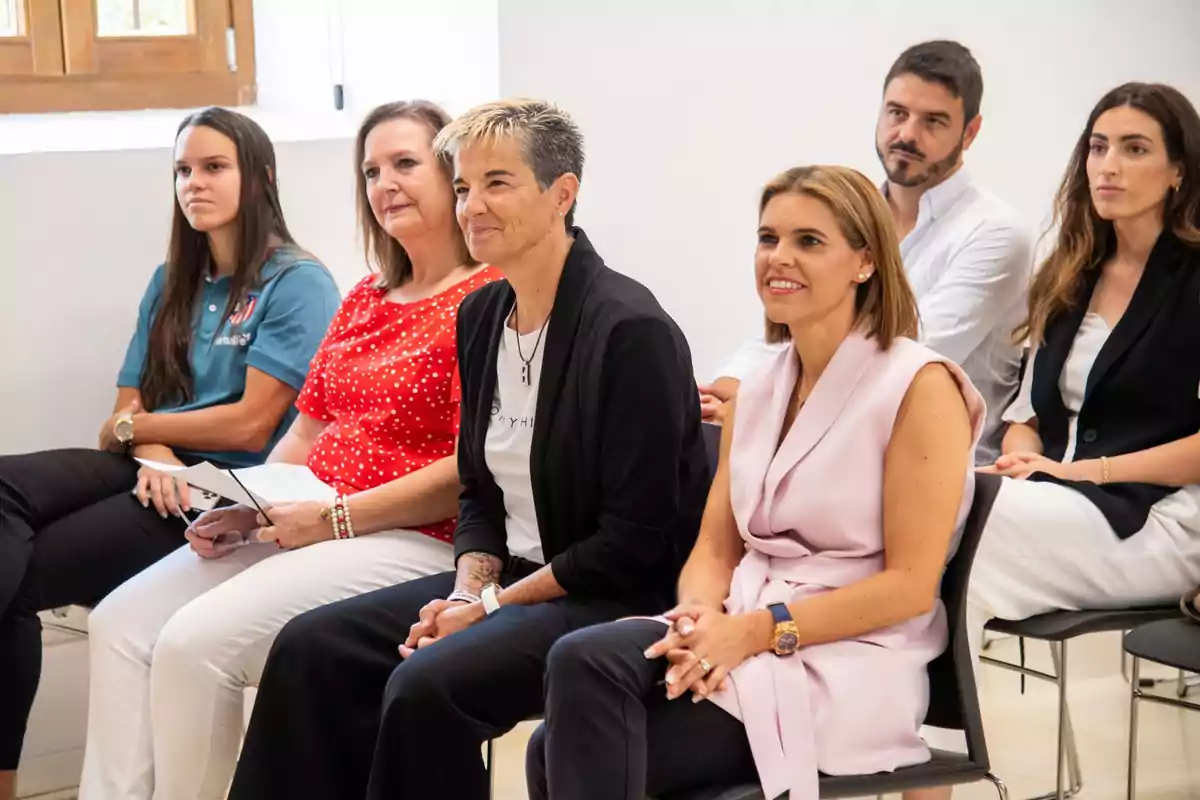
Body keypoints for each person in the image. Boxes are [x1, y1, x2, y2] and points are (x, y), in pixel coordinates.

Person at [227, 98, 711, 800]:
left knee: (427, 685)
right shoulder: (484, 315)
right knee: (313, 649)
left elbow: (633, 544)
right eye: (461, 186)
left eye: (498, 183)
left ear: (562, 194)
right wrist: (466, 589)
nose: (471, 206)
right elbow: (479, 489)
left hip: (610, 595)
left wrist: (486, 608)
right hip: (512, 577)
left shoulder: (630, 330)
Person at [77, 101, 501, 800]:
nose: (385, 183)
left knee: (193, 645)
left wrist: (332, 520)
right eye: (371, 170)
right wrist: (254, 506)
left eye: (405, 163)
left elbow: (469, 468)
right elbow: (304, 434)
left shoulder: (486, 300)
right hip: (306, 516)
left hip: (409, 531)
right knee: (120, 623)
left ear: (452, 173)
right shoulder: (367, 296)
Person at [527, 165, 983, 800]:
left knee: (563, 746)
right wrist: (697, 618)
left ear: (865, 262)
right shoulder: (760, 387)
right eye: (768, 239)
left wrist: (753, 632)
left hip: (847, 661)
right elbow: (716, 548)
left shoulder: (919, 387)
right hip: (740, 630)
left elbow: (908, 588)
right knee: (575, 675)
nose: (779, 258)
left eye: (809, 241)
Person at [0, 107, 339, 800]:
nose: (193, 184)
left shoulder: (298, 282)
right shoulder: (171, 281)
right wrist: (152, 447)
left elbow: (252, 425)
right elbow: (125, 408)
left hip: (225, 491)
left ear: (261, 177)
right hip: (156, 467)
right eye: (183, 170)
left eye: (214, 167)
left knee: (21, 575)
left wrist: (148, 439)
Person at [913, 82, 1200, 800]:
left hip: (1160, 519)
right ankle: (917, 753)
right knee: (940, 515)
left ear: (1178, 172)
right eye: (1099, 147)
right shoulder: (1073, 270)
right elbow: (1030, 409)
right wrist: (1018, 446)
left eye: (1135, 150)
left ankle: (929, 766)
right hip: (1055, 499)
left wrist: (1086, 473)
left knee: (961, 525)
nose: (1109, 165)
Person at [701, 40, 1029, 465]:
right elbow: (796, 322)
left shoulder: (996, 233)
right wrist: (721, 390)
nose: (907, 134)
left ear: (970, 131)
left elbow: (899, 353)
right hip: (815, 433)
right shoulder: (849, 213)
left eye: (933, 121)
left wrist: (756, 400)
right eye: (897, 113)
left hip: (932, 466)